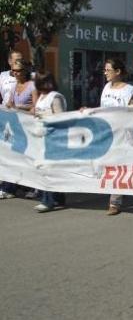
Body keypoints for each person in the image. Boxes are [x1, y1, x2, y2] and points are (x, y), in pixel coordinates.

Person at [97, 59, 133, 215]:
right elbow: (102, 109)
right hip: (107, 132)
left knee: (118, 166)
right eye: (105, 70)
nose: (105, 72)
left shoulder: (130, 90)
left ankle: (115, 202)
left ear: (118, 72)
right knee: (108, 165)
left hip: (123, 134)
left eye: (108, 70)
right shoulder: (106, 87)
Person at [32, 73, 68, 212]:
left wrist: (45, 117)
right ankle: (58, 199)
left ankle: (48, 200)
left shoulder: (55, 97)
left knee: (49, 170)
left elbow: (60, 118)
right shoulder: (41, 97)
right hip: (42, 138)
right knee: (46, 169)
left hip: (53, 138)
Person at [0, 51, 25, 199]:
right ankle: (9, 185)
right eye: (16, 60)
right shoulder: (2, 76)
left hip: (22, 119)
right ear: (10, 61)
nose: (19, 62)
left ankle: (12, 186)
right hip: (6, 119)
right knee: (6, 153)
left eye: (21, 60)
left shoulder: (26, 76)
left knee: (19, 153)